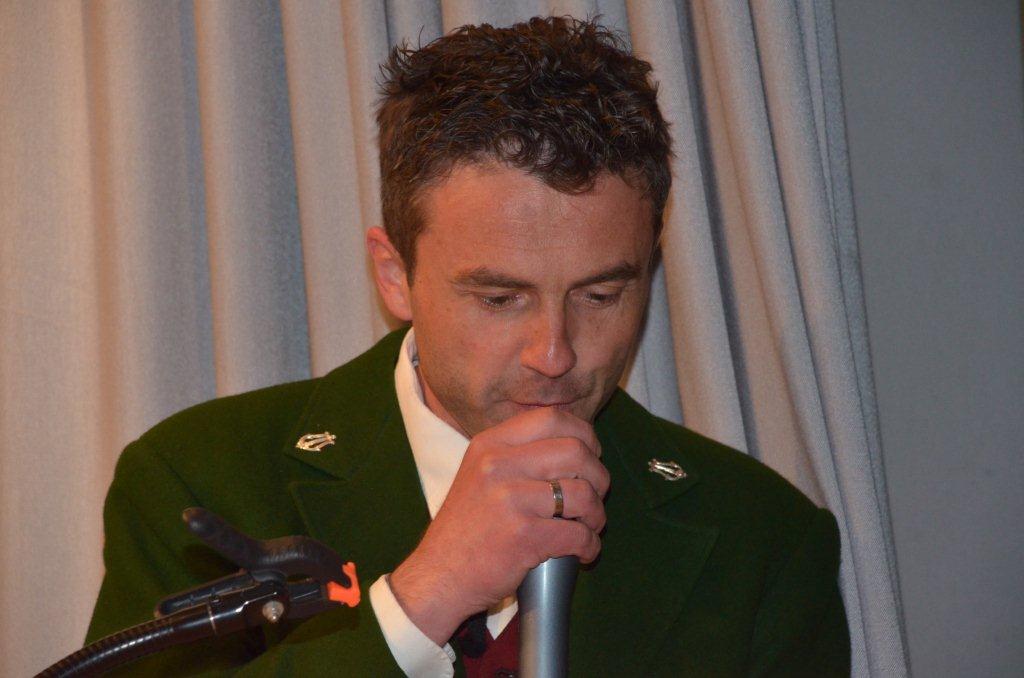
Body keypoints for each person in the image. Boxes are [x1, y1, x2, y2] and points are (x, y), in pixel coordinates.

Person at [86, 16, 850, 677]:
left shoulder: (764, 540)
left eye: (600, 295)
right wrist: (422, 599)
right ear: (395, 275)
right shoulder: (199, 481)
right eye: (499, 298)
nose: (554, 354)